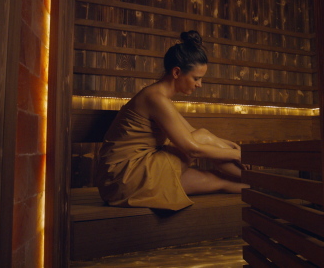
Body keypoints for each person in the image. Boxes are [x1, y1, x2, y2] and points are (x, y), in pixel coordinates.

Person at [94, 30, 249, 211]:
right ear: (177, 72)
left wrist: (230, 144)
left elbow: (190, 130)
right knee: (204, 138)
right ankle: (262, 180)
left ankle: (264, 186)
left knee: (223, 181)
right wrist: (236, 154)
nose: (199, 84)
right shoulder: (155, 98)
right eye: (196, 78)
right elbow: (193, 148)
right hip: (128, 175)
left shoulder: (159, 97)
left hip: (126, 179)